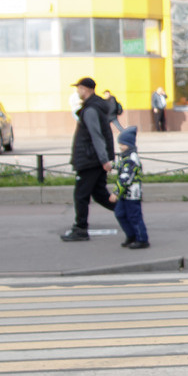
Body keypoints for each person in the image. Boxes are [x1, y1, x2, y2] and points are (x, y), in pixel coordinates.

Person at [62, 78, 118, 242]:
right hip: (93, 159)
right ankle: (128, 212)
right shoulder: (95, 107)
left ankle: (80, 229)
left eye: (79, 88)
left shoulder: (91, 110)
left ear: (86, 89)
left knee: (81, 195)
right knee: (100, 194)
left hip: (89, 160)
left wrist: (104, 160)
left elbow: (96, 136)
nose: (77, 91)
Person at [113, 116, 151, 249]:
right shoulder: (126, 157)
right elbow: (121, 168)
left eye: (122, 144)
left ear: (129, 145)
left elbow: (125, 177)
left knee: (134, 216)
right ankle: (131, 235)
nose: (120, 147)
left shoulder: (131, 159)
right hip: (125, 194)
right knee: (120, 214)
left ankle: (142, 239)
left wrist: (116, 192)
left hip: (132, 194)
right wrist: (112, 165)